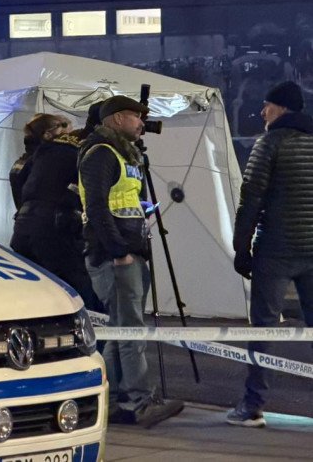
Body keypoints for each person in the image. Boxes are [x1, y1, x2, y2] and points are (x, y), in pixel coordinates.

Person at [78, 95, 184, 427]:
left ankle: (109, 402)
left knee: (119, 330)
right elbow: (96, 208)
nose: (142, 124)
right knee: (130, 331)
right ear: (117, 119)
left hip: (127, 252)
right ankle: (139, 401)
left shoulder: (124, 155)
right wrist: (119, 251)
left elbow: (120, 202)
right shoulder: (102, 154)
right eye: (136, 117)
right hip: (115, 257)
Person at [227, 80, 313, 427]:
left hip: (276, 250)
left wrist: (241, 247)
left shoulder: (270, 143)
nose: (263, 112)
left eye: (267, 106)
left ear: (282, 108)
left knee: (264, 328)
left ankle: (253, 406)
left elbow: (251, 198)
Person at [11, 113, 102, 311]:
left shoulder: (24, 161)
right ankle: (94, 328)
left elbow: (21, 194)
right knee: (78, 287)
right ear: (49, 133)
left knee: (35, 291)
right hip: (52, 229)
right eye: (66, 127)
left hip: (23, 228)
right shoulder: (64, 153)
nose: (70, 132)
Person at [9, 113, 68, 211]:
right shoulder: (44, 161)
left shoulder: (21, 162)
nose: (65, 134)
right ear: (47, 135)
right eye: (60, 128)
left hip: (26, 215)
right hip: (45, 216)